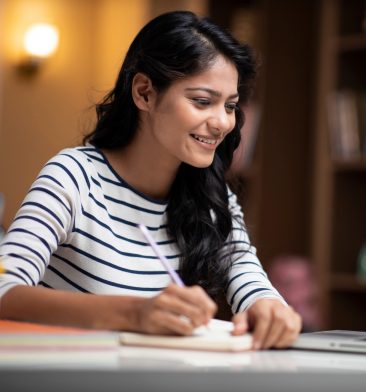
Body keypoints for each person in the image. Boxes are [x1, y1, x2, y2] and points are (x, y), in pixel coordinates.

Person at [0, 11, 301, 349]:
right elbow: (4, 292)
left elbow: (252, 286)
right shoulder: (74, 177)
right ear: (144, 93)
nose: (222, 123)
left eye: (230, 106)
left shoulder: (214, 198)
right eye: (202, 101)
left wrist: (271, 310)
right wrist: (134, 314)